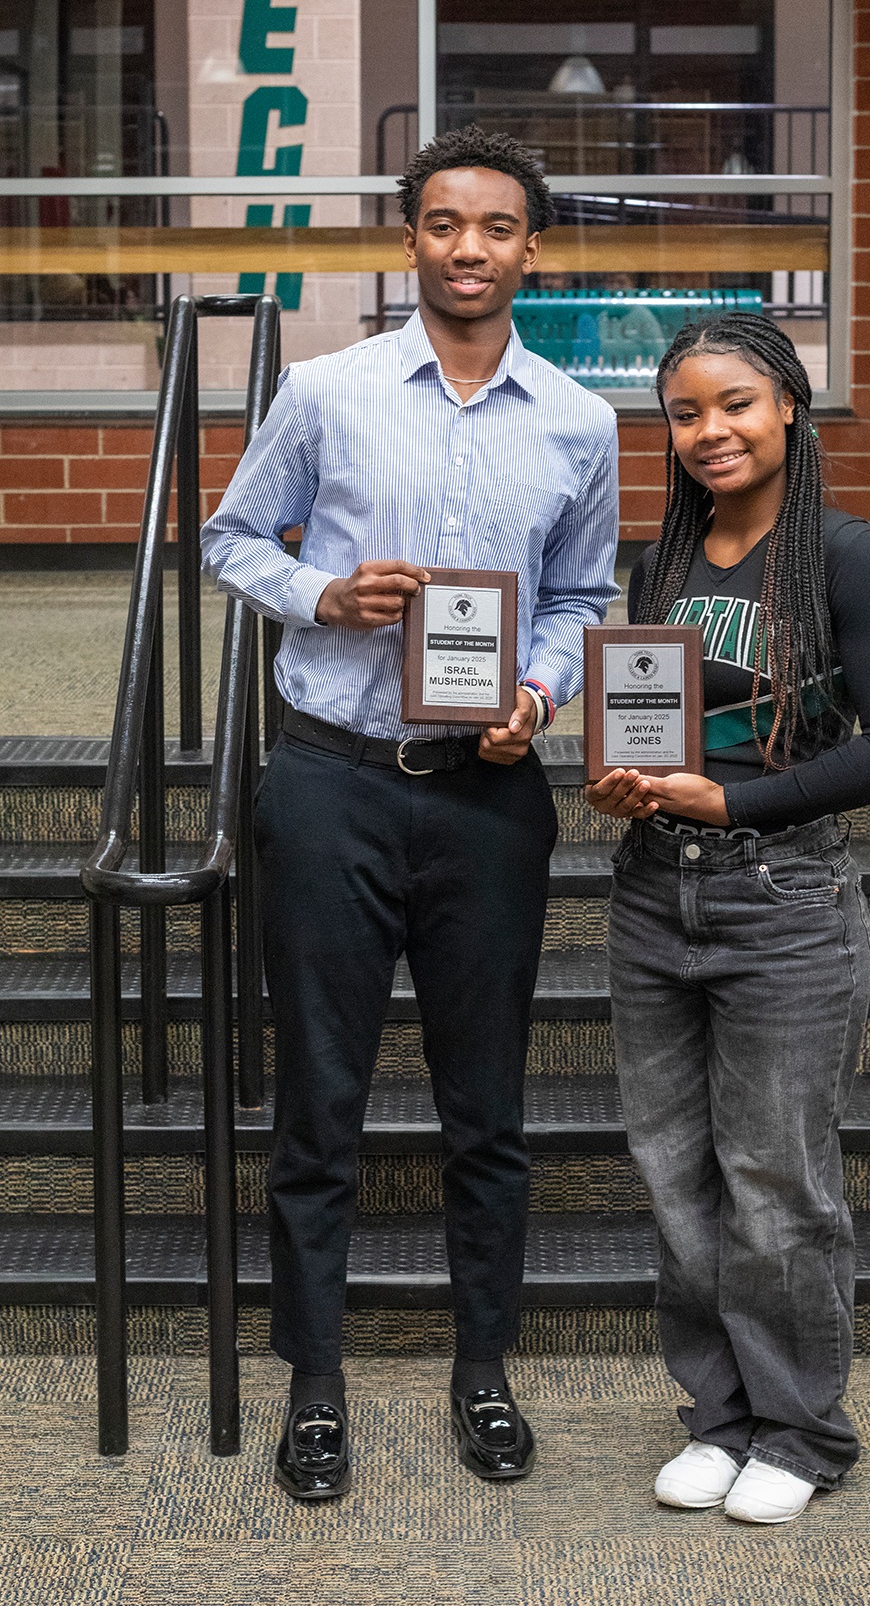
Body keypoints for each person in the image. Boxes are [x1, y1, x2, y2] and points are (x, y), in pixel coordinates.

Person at [201, 126, 619, 1499]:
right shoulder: (324, 392)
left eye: (495, 226)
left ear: (530, 249)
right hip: (332, 782)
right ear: (411, 241)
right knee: (319, 1103)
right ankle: (315, 1384)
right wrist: (323, 595)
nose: (468, 248)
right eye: (444, 224)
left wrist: (541, 695)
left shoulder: (579, 421)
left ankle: (482, 1370)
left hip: (487, 797)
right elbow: (229, 539)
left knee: (484, 1108)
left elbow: (582, 595)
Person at [586, 313, 870, 1525]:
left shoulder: (848, 553)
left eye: (735, 403)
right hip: (653, 891)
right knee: (676, 1179)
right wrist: (628, 782)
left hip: (786, 898)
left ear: (789, 404)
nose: (710, 431)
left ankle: (800, 1432)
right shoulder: (663, 561)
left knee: (777, 1184)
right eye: (685, 413)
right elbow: (655, 724)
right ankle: (720, 1420)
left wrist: (732, 800)